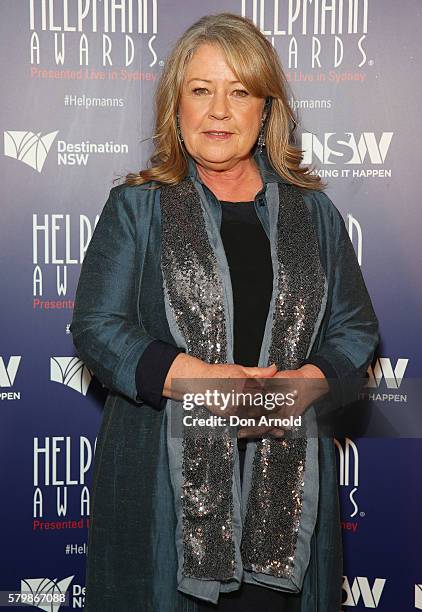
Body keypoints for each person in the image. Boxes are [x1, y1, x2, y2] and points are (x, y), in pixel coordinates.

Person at [70, 12, 379, 612]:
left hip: (287, 500)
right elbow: (97, 328)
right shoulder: (138, 207)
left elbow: (356, 328)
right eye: (201, 90)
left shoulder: (312, 213)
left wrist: (296, 390)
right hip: (163, 495)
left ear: (265, 111)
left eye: (240, 92)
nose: (219, 110)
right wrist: (203, 379)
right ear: (176, 105)